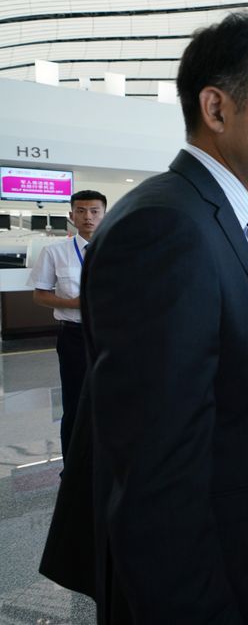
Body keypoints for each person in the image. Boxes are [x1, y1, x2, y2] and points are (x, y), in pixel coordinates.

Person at [39, 11, 248, 624]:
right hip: (215, 583)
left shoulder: (216, 219)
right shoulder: (165, 227)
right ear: (216, 108)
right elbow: (156, 478)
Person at [27, 190, 106, 463]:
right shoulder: (55, 252)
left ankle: (106, 461)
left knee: (112, 399)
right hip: (75, 335)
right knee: (75, 402)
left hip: (111, 335)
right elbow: (39, 295)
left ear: (105, 215)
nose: (88, 217)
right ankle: (72, 466)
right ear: (71, 215)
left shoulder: (118, 249)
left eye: (94, 211)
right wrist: (73, 303)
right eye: (81, 211)